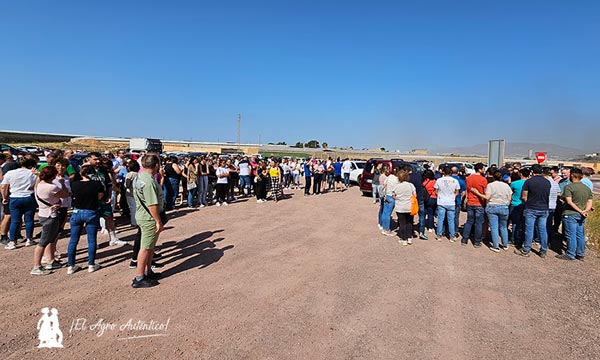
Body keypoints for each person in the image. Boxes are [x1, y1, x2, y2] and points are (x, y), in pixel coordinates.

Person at [132, 153, 165, 288]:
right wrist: (158, 220)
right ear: (156, 165)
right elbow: (152, 204)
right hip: (149, 218)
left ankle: (148, 271)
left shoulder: (140, 177)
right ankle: (139, 277)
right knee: (145, 248)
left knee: (150, 247)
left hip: (142, 215)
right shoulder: (149, 182)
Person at [67, 165, 105, 274]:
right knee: (92, 239)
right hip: (91, 212)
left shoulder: (74, 184)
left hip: (77, 212)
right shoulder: (96, 184)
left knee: (73, 240)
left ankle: (71, 265)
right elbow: (100, 196)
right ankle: (91, 264)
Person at [31, 166, 69, 275]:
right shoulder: (52, 187)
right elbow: (65, 194)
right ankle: (36, 266)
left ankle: (51, 260)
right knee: (43, 241)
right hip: (50, 215)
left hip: (43, 213)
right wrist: (62, 183)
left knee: (51, 238)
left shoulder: (38, 185)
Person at [1, 154, 38, 250]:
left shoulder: (10, 173)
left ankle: (13, 241)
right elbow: (36, 185)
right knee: (29, 219)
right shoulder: (32, 173)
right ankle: (29, 239)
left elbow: (4, 186)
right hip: (29, 196)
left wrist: (4, 197)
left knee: (15, 220)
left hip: (14, 197)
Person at [556, 168, 593, 261]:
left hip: (570, 213)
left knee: (571, 235)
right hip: (581, 215)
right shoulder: (586, 188)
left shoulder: (569, 187)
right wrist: (586, 211)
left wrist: (580, 210)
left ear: (572, 175)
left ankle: (570, 254)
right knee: (580, 234)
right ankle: (580, 253)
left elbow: (569, 201)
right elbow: (589, 201)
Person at [515, 164, 551, 258]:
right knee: (542, 230)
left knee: (529, 230)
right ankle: (543, 250)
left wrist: (528, 202)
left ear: (532, 172)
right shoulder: (547, 182)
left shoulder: (528, 182)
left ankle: (526, 249)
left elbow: (524, 196)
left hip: (531, 208)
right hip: (544, 208)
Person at [474, 170, 512, 252]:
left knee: (494, 227)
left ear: (493, 177)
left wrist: (477, 193)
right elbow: (509, 198)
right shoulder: (506, 186)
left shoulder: (490, 185)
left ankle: (496, 246)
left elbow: (487, 197)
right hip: (504, 207)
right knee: (503, 227)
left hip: (492, 206)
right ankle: (505, 245)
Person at [461, 163, 487, 247]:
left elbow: (468, 189)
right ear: (479, 169)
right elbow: (485, 191)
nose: (484, 170)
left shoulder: (468, 178)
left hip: (470, 202)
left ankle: (464, 239)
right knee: (479, 223)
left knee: (469, 221)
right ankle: (476, 241)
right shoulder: (483, 179)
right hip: (479, 203)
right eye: (483, 168)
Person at [389, 169, 417, 245]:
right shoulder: (411, 185)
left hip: (400, 207)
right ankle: (409, 238)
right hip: (409, 206)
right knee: (410, 222)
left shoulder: (396, 186)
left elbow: (393, 196)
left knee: (402, 223)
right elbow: (415, 195)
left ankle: (403, 239)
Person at [434, 166, 460, 242]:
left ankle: (439, 235)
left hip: (441, 201)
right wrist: (453, 196)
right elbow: (457, 191)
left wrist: (440, 195)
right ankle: (452, 236)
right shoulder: (455, 181)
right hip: (451, 202)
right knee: (451, 220)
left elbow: (436, 190)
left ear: (443, 172)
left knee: (440, 219)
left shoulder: (439, 180)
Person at [509, 168, 529, 247]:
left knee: (514, 223)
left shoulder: (514, 183)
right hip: (525, 205)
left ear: (521, 174)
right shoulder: (529, 183)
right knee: (524, 223)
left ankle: (514, 239)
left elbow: (509, 192)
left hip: (515, 204)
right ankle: (522, 239)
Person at [379, 165, 395, 236]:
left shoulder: (387, 177)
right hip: (390, 195)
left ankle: (383, 227)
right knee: (387, 213)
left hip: (385, 195)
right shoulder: (387, 177)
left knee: (384, 212)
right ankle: (387, 229)